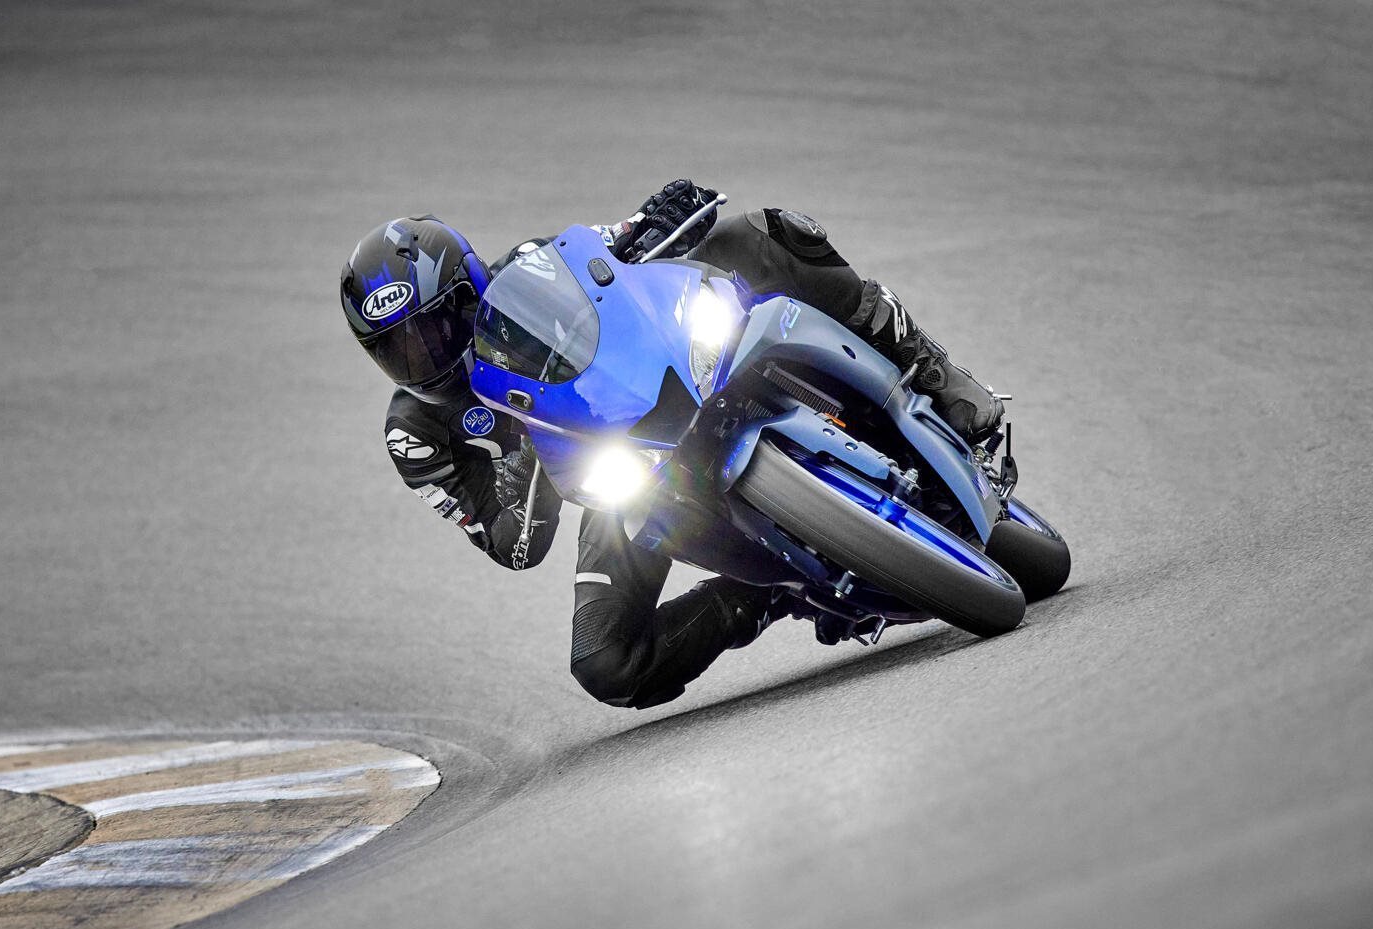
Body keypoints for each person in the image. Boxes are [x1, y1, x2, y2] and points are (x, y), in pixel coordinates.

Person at [340, 181, 1006, 708]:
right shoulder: (414, 436)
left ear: (471, 288)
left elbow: (614, 251)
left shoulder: (531, 271)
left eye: (437, 327)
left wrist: (658, 219)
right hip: (609, 477)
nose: (426, 357)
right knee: (605, 661)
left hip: (667, 386)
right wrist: (526, 452)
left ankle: (932, 373)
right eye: (399, 350)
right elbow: (515, 546)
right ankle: (779, 591)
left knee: (764, 235)